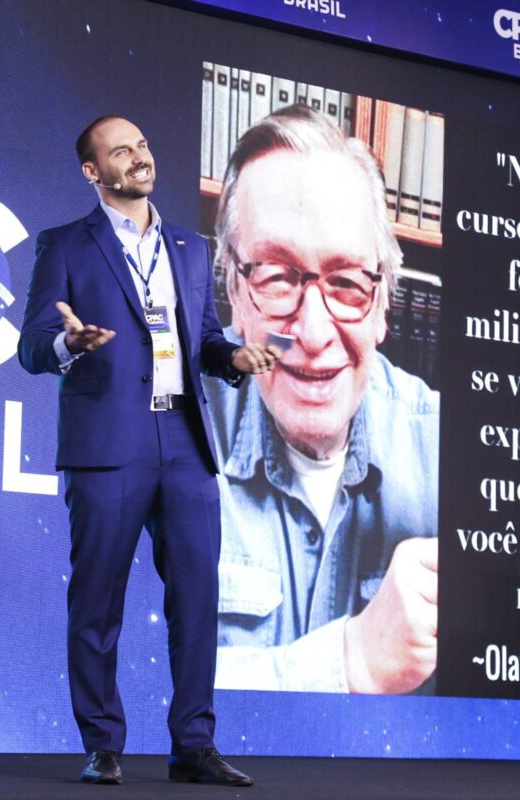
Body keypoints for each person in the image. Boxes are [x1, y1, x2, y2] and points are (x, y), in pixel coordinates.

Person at [18, 115, 276, 785]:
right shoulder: (66, 246)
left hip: (185, 442)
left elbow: (207, 340)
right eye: (120, 150)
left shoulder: (192, 249)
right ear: (92, 171)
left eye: (143, 144)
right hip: (107, 444)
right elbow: (31, 346)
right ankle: (103, 743)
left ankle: (194, 743)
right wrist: (65, 345)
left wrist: (235, 358)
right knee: (97, 601)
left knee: (197, 599)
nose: (138, 157)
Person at [205, 104, 440, 694]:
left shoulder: (449, 453)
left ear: (384, 303)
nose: (312, 335)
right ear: (234, 289)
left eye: (346, 283)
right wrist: (351, 662)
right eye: (277, 278)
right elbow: (121, 688)